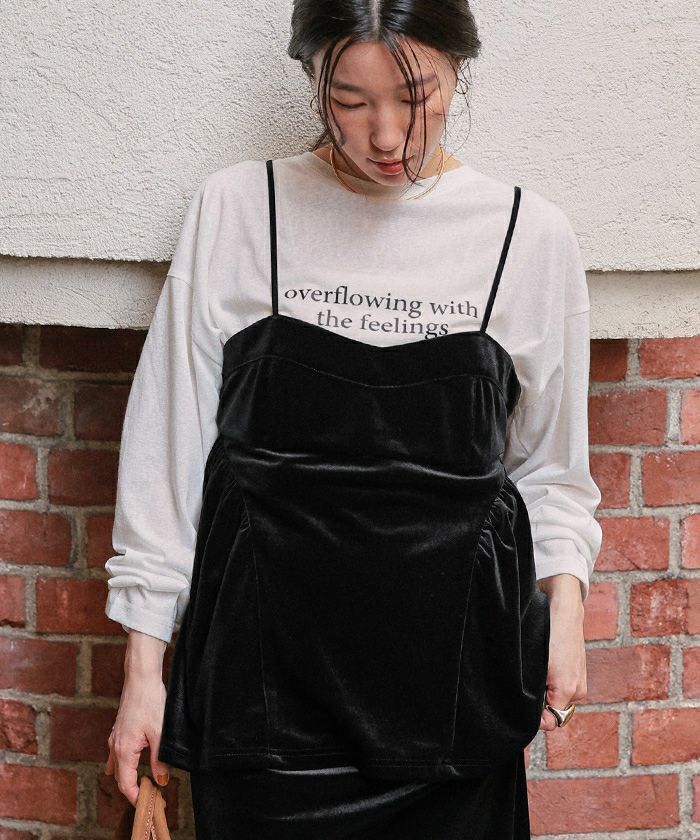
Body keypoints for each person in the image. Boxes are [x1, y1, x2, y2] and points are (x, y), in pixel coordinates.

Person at [103, 2, 602, 837]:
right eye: (351, 101)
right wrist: (143, 671)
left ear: (460, 70)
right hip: (263, 705)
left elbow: (550, 470)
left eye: (417, 96)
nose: (386, 135)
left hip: (453, 701)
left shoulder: (528, 234)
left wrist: (567, 617)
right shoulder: (241, 208)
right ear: (311, 80)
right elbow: (168, 448)